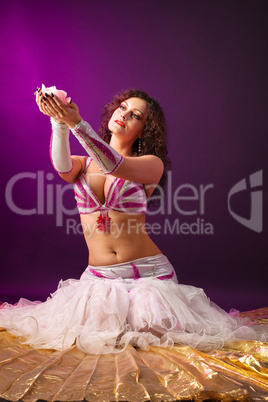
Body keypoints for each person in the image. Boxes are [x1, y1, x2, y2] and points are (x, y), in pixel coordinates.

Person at [0, 86, 268, 401]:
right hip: (98, 279)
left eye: (135, 115)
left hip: (148, 276)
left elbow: (114, 164)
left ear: (144, 129)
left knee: (153, 343)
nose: (124, 115)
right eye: (122, 107)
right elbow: (61, 166)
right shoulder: (84, 165)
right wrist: (58, 121)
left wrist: (77, 124)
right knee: (84, 341)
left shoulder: (151, 165)